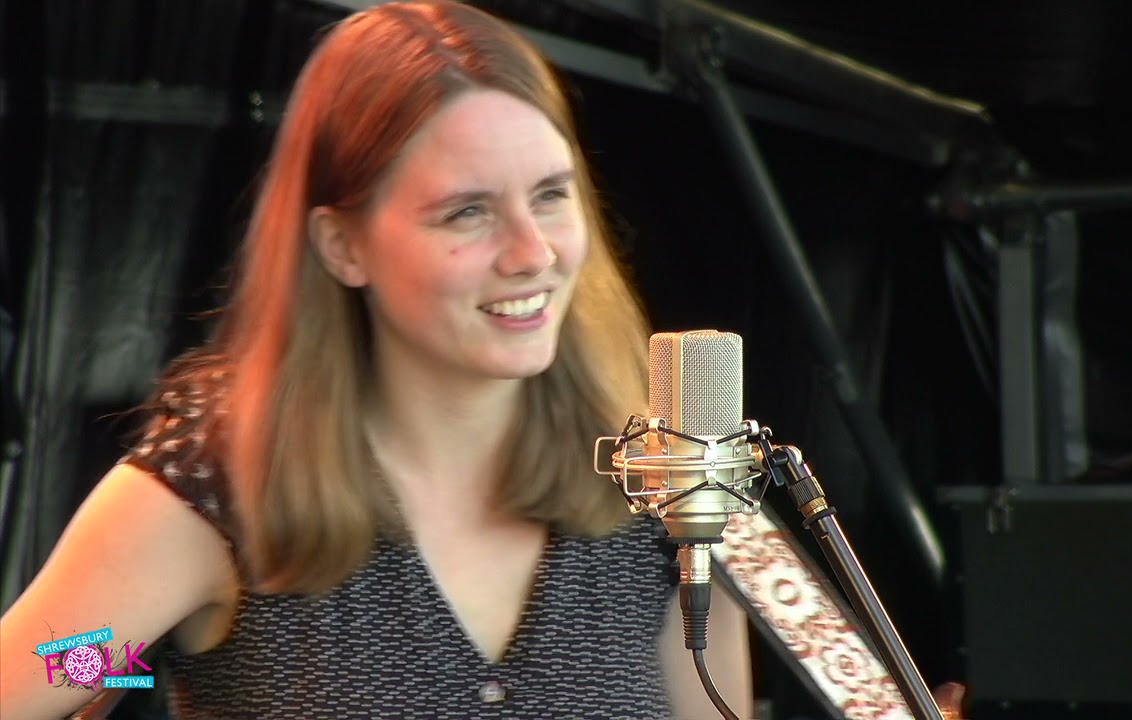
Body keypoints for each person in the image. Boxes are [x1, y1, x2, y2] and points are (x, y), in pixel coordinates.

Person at [0, 2, 754, 718]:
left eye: (552, 196)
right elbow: (47, 672)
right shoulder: (221, 485)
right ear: (343, 246)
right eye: (469, 211)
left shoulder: (672, 487)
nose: (534, 252)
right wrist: (142, 651)